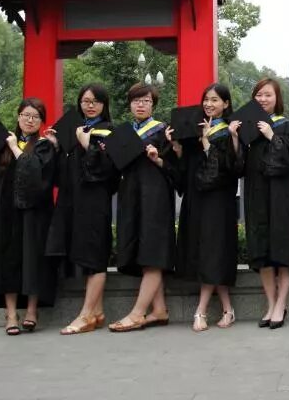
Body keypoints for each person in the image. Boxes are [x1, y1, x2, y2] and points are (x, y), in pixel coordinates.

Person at [0, 98, 58, 335]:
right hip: (8, 212)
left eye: (35, 117)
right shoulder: (3, 145)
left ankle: (32, 311)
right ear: (18, 117)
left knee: (34, 259)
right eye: (26, 115)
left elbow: (36, 175)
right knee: (8, 260)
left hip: (35, 213)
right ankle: (11, 314)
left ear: (41, 122)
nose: (30, 120)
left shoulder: (44, 146)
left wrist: (16, 148)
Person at [167, 83, 242, 332]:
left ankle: (200, 310)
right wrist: (177, 149)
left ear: (226, 104)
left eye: (215, 100)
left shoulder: (230, 130)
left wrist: (209, 144)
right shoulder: (196, 130)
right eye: (206, 99)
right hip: (196, 201)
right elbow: (185, 175)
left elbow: (231, 170)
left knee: (212, 252)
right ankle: (228, 309)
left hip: (219, 202)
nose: (209, 104)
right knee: (208, 253)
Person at [49, 84, 119, 335]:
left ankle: (86, 314)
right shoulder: (73, 129)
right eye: (85, 101)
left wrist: (88, 145)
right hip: (74, 202)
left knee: (95, 254)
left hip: (96, 203)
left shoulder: (110, 132)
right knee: (86, 253)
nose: (90, 105)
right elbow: (62, 175)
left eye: (95, 101)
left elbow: (108, 171)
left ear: (104, 105)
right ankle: (97, 312)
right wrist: (56, 146)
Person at [108, 83, 176, 332]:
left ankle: (137, 313)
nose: (140, 105)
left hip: (155, 197)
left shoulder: (163, 131)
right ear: (130, 104)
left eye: (146, 101)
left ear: (153, 105)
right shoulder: (123, 134)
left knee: (153, 251)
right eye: (136, 100)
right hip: (132, 197)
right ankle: (159, 310)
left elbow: (176, 168)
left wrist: (159, 158)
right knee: (144, 251)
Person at [241, 78, 289, 329]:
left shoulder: (288, 127)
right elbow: (237, 165)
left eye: (268, 95)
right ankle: (271, 303)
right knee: (262, 250)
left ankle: (281, 303)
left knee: (282, 248)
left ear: (277, 98)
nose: (263, 99)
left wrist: (271, 136)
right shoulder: (248, 128)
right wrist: (234, 137)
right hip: (256, 194)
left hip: (282, 197)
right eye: (258, 95)